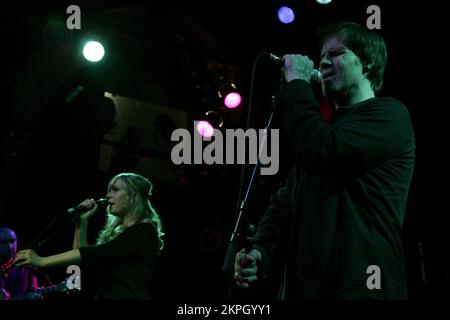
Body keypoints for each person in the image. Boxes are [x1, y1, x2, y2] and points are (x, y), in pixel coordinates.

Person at [234, 21, 415, 299]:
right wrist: (260, 250)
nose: (324, 62)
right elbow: (284, 203)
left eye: (336, 53)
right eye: (321, 57)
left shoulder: (389, 115)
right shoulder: (325, 132)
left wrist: (297, 82)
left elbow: (319, 152)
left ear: (366, 64)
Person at [14, 172, 165, 300]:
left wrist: (42, 261)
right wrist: (83, 222)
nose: (108, 195)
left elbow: (93, 254)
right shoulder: (120, 232)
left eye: (115, 190)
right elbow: (83, 259)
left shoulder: (144, 231)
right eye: (108, 190)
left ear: (133, 196)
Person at [0, 227, 41, 300]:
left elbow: (33, 291)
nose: (10, 247)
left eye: (13, 241)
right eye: (4, 243)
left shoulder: (26, 265)